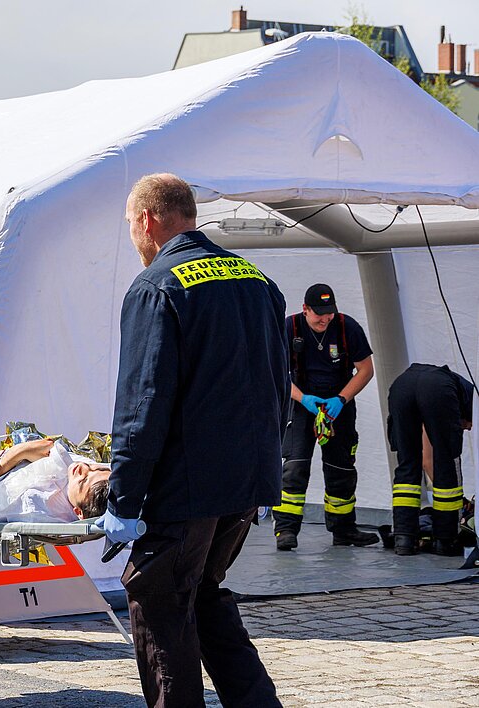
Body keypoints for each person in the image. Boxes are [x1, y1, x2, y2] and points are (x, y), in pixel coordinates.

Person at [99, 173, 286, 707]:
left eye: (131, 226)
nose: (134, 237)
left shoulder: (157, 285)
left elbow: (143, 401)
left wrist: (125, 497)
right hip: (244, 482)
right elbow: (278, 381)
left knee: (157, 598)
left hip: (187, 485)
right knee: (202, 593)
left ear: (147, 220)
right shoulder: (256, 279)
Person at [272, 283, 379, 551]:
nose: (325, 319)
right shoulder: (289, 328)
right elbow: (276, 373)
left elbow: (365, 370)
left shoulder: (346, 327)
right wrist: (304, 399)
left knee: (341, 468)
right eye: (319, 313)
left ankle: (344, 530)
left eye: (329, 313)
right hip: (300, 405)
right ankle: (285, 529)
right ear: (305, 309)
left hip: (337, 405)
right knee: (295, 467)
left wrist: (341, 400)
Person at [387, 363, 474, 556]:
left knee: (407, 463)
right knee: (447, 462)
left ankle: (404, 539)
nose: (467, 429)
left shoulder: (441, 385)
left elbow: (426, 460)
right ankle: (445, 541)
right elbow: (443, 458)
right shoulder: (468, 395)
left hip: (402, 386)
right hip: (436, 389)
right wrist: (457, 501)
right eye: (467, 427)